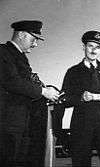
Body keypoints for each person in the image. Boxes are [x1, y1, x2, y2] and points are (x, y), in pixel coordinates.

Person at [0, 20, 60, 167]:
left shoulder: (19, 56)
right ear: (21, 35)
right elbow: (12, 82)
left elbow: (26, 82)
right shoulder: (3, 52)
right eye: (33, 39)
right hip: (7, 123)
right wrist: (43, 91)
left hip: (21, 123)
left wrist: (46, 88)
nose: (35, 44)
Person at [61, 30, 100, 167]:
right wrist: (81, 98)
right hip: (82, 123)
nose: (94, 50)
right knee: (81, 162)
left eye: (97, 47)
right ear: (84, 47)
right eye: (90, 46)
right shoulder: (73, 72)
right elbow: (64, 98)